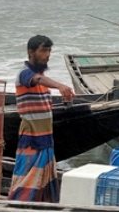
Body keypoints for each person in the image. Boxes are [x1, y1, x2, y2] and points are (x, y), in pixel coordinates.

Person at [8, 35, 75, 203]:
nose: (48, 55)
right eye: (43, 50)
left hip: (45, 140)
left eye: (49, 51)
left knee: (45, 184)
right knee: (24, 185)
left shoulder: (43, 79)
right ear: (31, 52)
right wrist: (60, 85)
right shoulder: (24, 74)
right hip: (32, 140)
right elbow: (36, 79)